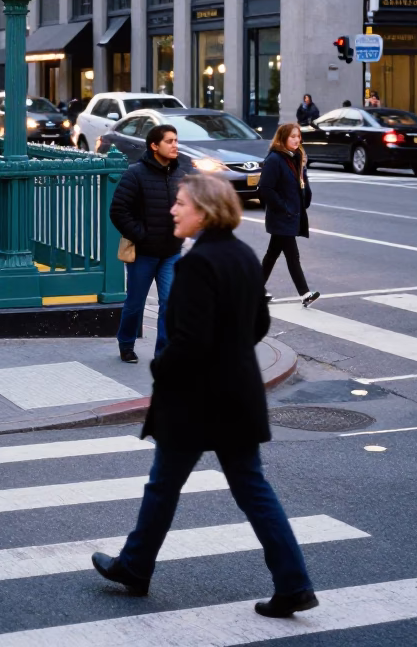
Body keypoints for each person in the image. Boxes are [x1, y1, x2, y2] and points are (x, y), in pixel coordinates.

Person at [91, 174, 318, 618]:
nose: (173, 210)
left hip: (196, 400)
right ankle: (293, 583)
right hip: (237, 392)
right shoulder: (243, 255)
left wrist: (160, 368)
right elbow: (259, 327)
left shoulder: (197, 263)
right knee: (251, 488)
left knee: (163, 485)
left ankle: (136, 567)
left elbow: (189, 342)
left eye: (180, 203)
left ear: (205, 211)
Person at [109, 124, 183, 362]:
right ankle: (126, 342)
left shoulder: (179, 173)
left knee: (170, 303)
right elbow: (118, 211)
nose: (175, 145)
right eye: (169, 141)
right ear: (154, 146)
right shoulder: (135, 173)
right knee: (135, 304)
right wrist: (141, 235)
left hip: (171, 252)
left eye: (175, 141)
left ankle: (163, 353)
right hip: (143, 253)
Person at [258, 123, 319, 307]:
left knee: (272, 255)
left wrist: (304, 169)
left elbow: (302, 187)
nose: (297, 140)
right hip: (282, 216)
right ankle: (305, 294)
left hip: (293, 214)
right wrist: (283, 207)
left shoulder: (296, 158)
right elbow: (265, 188)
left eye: (298, 136)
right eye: (292, 136)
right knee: (292, 256)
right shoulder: (275, 159)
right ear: (283, 138)